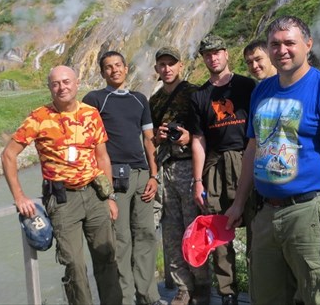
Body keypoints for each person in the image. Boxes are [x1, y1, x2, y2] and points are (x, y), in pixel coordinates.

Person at [224, 16, 320, 305]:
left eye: (290, 42)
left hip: (308, 214)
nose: (282, 50)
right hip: (264, 214)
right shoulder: (262, 90)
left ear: (308, 45)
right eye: (275, 44)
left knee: (319, 297)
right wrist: (239, 203)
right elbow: (253, 148)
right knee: (266, 297)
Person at [1, 65, 122, 305]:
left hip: (96, 195)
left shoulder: (91, 113)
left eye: (66, 82)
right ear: (49, 88)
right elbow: (8, 155)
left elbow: (103, 157)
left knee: (106, 257)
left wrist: (110, 197)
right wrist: (19, 197)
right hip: (63, 201)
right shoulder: (38, 118)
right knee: (74, 265)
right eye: (55, 83)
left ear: (77, 83)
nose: (61, 87)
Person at [82, 51, 164, 305]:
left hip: (141, 175)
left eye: (118, 65)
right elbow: (88, 142)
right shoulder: (95, 99)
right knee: (121, 240)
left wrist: (154, 175)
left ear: (126, 68)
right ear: (102, 72)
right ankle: (125, 299)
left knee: (146, 235)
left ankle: (148, 296)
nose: (114, 70)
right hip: (114, 177)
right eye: (108, 67)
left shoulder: (139, 100)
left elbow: (148, 139)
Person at [189, 34, 256, 305]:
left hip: (246, 158)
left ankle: (259, 286)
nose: (212, 57)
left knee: (256, 225)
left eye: (216, 52)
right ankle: (227, 292)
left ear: (226, 53)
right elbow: (198, 140)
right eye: (207, 54)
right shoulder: (200, 95)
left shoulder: (247, 86)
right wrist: (197, 180)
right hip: (215, 166)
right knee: (218, 231)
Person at [150, 47, 212, 305]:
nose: (167, 69)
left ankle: (202, 285)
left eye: (171, 64)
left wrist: (188, 137)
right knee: (172, 230)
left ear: (180, 66)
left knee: (194, 228)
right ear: (157, 69)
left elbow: (207, 131)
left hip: (189, 167)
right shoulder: (153, 101)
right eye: (162, 64)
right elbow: (150, 137)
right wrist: (158, 136)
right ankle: (182, 287)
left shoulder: (195, 93)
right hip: (166, 168)